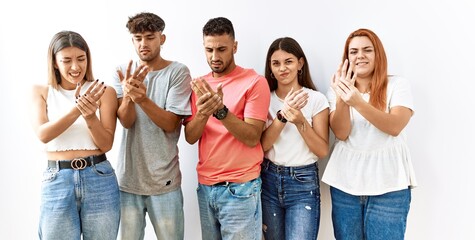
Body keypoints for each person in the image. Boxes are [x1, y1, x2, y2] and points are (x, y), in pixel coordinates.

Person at [322, 28, 417, 240]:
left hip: (390, 185)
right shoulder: (337, 90)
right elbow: (341, 132)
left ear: (378, 55)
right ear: (347, 58)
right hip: (345, 184)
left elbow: (394, 126)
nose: (360, 56)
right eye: (353, 51)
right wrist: (342, 96)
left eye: (367, 50)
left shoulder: (397, 85)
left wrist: (357, 101)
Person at [183, 17, 270, 240]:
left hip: (240, 189)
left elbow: (252, 137)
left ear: (235, 47)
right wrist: (203, 112)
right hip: (206, 187)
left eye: (221, 49)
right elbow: (191, 137)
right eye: (209, 49)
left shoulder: (254, 82)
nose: (215, 57)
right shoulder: (199, 85)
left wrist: (221, 111)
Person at [31, 30, 120, 240]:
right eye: (67, 60)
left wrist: (91, 117)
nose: (75, 67)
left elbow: (106, 143)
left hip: (99, 177)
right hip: (57, 179)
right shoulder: (41, 91)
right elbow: (43, 134)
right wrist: (78, 109)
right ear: (54, 63)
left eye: (81, 59)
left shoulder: (104, 91)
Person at [111, 12, 192, 240]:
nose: (143, 44)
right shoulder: (122, 73)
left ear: (162, 39)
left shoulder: (177, 72)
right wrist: (127, 96)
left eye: (150, 37)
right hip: (128, 181)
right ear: (132, 41)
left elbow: (171, 123)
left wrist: (142, 99)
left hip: (164, 182)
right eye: (138, 38)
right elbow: (126, 121)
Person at [260, 37, 329, 240]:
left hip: (303, 182)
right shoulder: (265, 98)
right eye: (276, 63)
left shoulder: (316, 99)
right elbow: (262, 145)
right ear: (270, 68)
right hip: (269, 180)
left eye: (288, 61)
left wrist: (300, 122)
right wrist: (282, 116)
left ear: (300, 63)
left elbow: (322, 150)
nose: (282, 68)